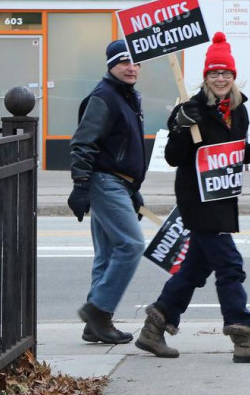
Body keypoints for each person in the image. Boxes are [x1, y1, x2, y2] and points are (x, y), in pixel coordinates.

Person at [134, 32, 250, 363]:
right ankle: (243, 335)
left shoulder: (239, 109)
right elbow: (174, 157)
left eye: (225, 73)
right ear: (206, 77)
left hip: (223, 194)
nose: (220, 78)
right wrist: (180, 128)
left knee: (194, 269)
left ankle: (154, 326)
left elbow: (231, 154)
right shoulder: (191, 108)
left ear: (233, 76)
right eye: (214, 73)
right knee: (230, 265)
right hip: (197, 198)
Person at [68, 39, 147, 345]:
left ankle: (95, 325)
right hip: (105, 182)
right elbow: (83, 143)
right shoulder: (105, 97)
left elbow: (122, 145)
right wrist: (81, 186)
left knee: (108, 254)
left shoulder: (128, 97)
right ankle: (98, 310)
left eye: (136, 62)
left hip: (120, 184)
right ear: (111, 65)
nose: (131, 68)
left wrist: (133, 190)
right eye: (124, 62)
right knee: (131, 245)